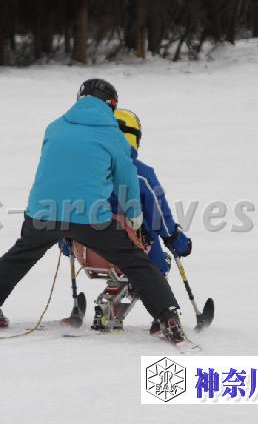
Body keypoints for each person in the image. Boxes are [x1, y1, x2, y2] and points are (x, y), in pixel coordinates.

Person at [0, 79, 186, 344]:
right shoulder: (113, 136)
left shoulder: (54, 128)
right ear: (111, 105)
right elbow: (126, 180)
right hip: (90, 216)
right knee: (135, 261)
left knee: (19, 257)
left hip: (42, 213)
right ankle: (167, 317)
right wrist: (133, 213)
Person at [60, 108, 192, 335]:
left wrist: (66, 243)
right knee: (152, 247)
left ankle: (110, 306)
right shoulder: (139, 173)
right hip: (131, 251)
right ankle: (163, 313)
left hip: (87, 253)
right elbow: (159, 216)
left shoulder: (82, 172)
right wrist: (177, 240)